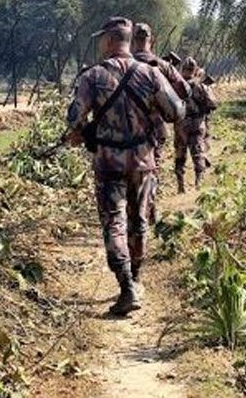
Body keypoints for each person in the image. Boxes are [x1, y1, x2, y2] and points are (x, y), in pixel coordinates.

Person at [65, 17, 184, 316]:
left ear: (107, 41)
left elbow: (74, 119)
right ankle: (137, 279)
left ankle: (127, 285)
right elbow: (176, 111)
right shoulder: (151, 73)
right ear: (128, 41)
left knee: (114, 223)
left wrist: (81, 132)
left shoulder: (92, 77)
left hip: (108, 165)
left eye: (100, 40)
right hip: (144, 163)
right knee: (139, 221)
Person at [129, 23, 190, 230]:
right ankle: (150, 210)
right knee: (151, 168)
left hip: (122, 127)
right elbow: (185, 90)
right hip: (153, 129)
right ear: (151, 40)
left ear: (132, 40)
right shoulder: (162, 65)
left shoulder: (121, 64)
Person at [174, 58, 217, 193]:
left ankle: (180, 185)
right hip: (198, 123)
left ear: (182, 70)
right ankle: (199, 182)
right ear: (195, 70)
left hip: (181, 124)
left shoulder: (176, 85)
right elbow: (213, 104)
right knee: (198, 152)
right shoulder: (201, 86)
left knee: (180, 154)